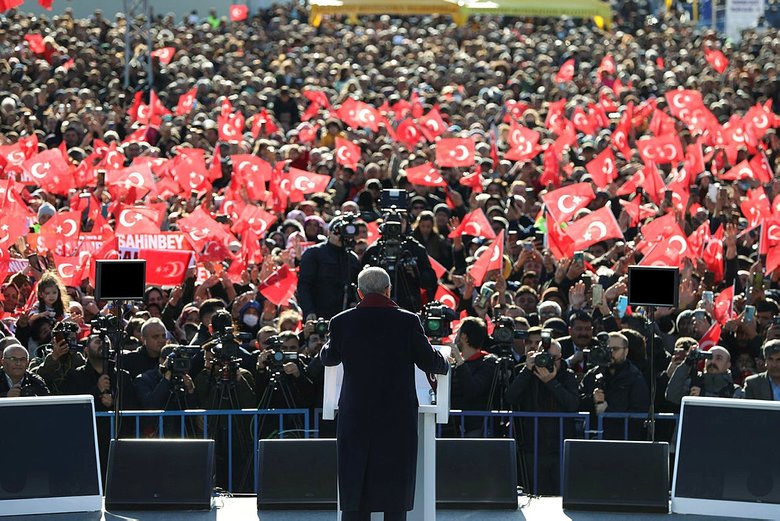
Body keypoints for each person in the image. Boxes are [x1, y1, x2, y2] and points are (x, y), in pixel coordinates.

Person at [320, 267, 449, 521]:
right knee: (395, 492)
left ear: (359, 293)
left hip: (356, 418)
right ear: (388, 290)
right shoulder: (408, 321)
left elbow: (329, 357)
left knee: (355, 490)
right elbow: (429, 361)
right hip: (396, 419)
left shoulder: (341, 322)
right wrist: (446, 363)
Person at [505, 338, 579, 495]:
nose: (548, 362)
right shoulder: (527, 373)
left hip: (560, 447)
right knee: (535, 494)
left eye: (553, 358)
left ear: (561, 357)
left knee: (560, 496)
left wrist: (551, 383)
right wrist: (527, 369)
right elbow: (510, 397)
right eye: (544, 356)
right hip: (533, 445)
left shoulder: (567, 375)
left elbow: (573, 404)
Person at [579, 332, 650, 439]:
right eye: (607, 349)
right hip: (593, 437)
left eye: (615, 349)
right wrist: (592, 399)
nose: (610, 353)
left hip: (622, 440)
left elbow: (639, 413)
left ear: (626, 351)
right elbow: (577, 400)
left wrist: (608, 411)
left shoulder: (634, 377)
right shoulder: (593, 374)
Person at [297, 214, 361, 320]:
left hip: (345, 315)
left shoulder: (352, 258)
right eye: (337, 231)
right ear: (329, 233)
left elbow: (355, 286)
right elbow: (304, 285)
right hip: (320, 313)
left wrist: (354, 303)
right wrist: (309, 311)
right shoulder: (314, 253)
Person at [448, 316, 499, 436]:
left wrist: (460, 362)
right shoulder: (453, 363)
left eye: (458, 333)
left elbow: (472, 390)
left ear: (464, 337)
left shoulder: (488, 362)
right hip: (452, 427)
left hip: (476, 428)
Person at [665, 345, 744, 403]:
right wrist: (687, 363)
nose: (712, 362)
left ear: (728, 365)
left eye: (718, 358)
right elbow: (671, 395)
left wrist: (702, 396)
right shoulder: (693, 382)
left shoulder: (734, 390)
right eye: (709, 357)